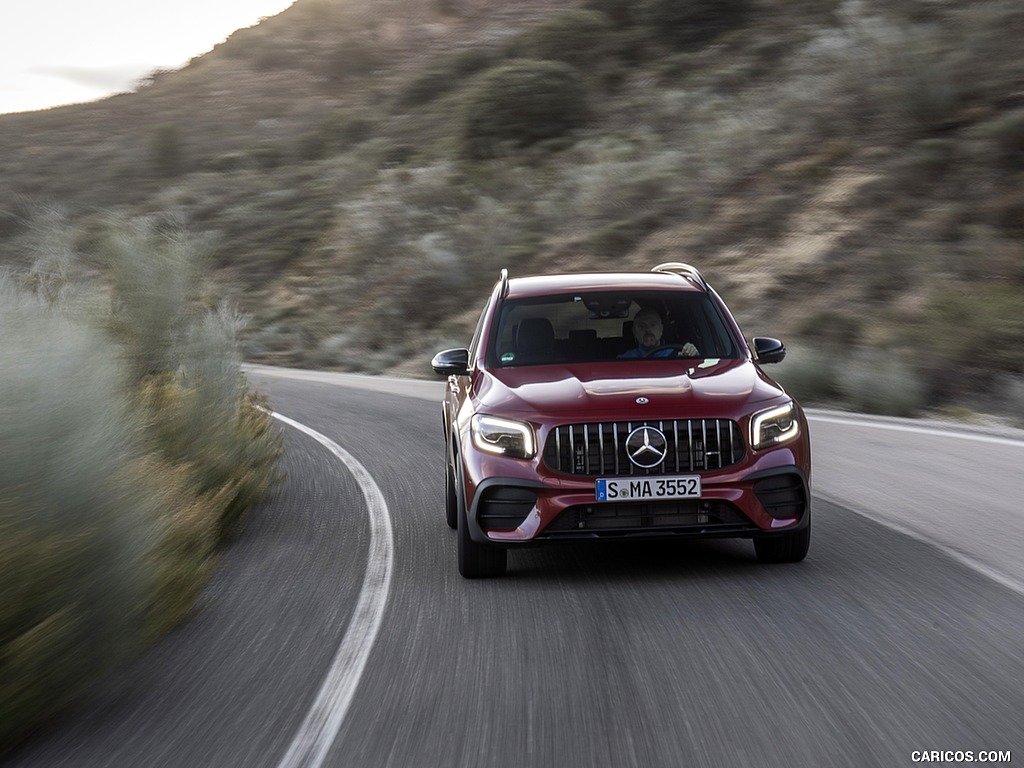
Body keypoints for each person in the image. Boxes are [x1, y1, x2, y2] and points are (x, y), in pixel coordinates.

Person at [618, 307, 699, 359]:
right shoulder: (624, 359)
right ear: (634, 332)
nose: (648, 330)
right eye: (642, 326)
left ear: (661, 329)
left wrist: (693, 354)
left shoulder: (676, 354)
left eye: (653, 325)